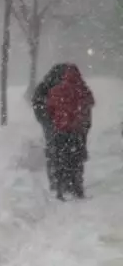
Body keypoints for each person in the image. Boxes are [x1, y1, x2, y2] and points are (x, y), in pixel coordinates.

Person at [41, 64, 94, 200]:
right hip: (76, 132)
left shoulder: (56, 90)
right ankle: (77, 189)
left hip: (60, 131)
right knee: (76, 161)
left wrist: (57, 120)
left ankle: (59, 190)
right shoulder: (82, 90)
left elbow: (50, 109)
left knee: (60, 160)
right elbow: (90, 102)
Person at [31, 63, 67, 192]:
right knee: (62, 152)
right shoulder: (62, 86)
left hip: (51, 124)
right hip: (60, 124)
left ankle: (55, 180)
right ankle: (62, 180)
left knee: (53, 152)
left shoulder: (44, 86)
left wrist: (45, 119)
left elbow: (36, 103)